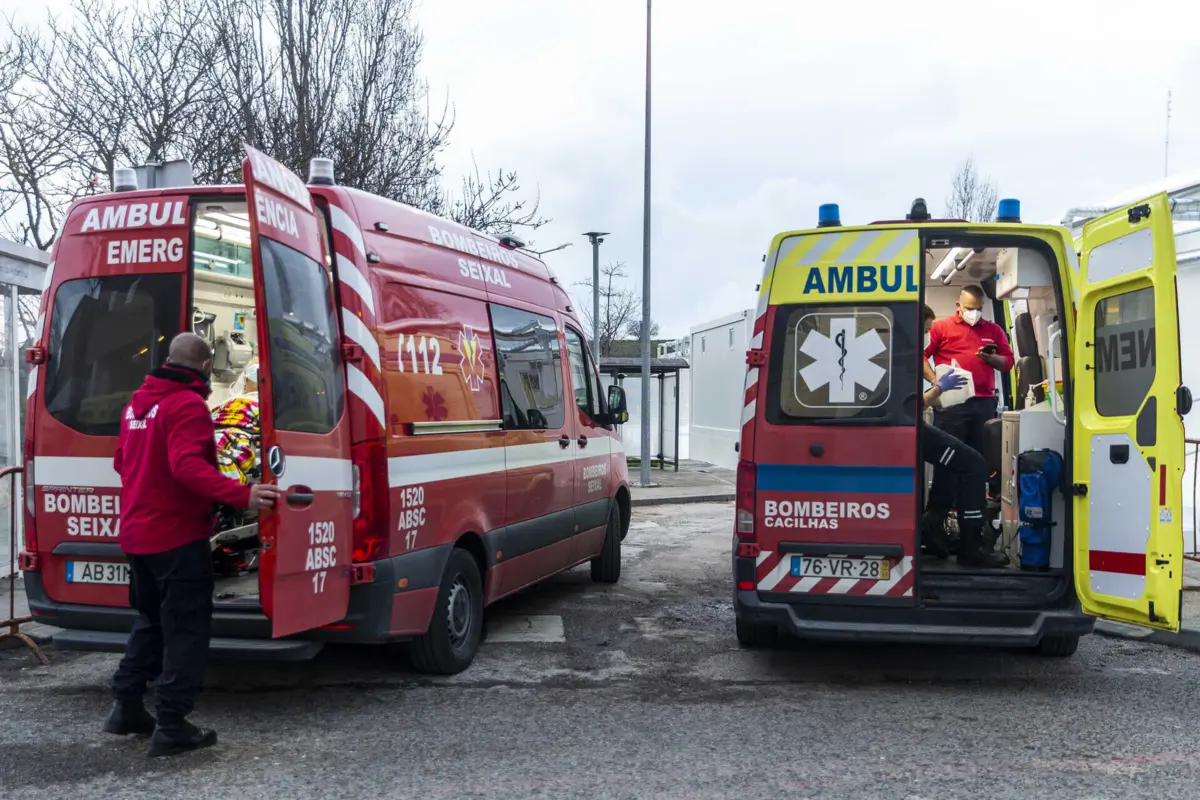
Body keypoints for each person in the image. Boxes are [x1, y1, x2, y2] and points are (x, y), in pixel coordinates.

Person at [105, 333, 280, 758]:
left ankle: (126, 707)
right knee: (186, 631)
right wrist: (244, 495)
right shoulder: (187, 405)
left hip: (137, 536)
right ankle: (171, 725)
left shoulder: (135, 406)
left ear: (167, 360)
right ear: (205, 368)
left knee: (151, 622)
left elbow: (120, 462)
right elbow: (187, 467)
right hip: (177, 538)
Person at [922, 286, 1013, 539]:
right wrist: (935, 384)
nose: (974, 313)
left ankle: (971, 529)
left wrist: (990, 359)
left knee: (978, 465)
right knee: (946, 464)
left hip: (983, 403)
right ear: (958, 305)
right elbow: (922, 356)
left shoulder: (993, 330)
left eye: (979, 309)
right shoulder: (940, 327)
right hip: (952, 405)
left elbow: (1008, 362)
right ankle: (934, 526)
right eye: (970, 308)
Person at [921, 367, 1007, 568]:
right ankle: (970, 549)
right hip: (905, 426)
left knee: (955, 465)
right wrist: (939, 387)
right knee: (973, 465)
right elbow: (913, 404)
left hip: (902, 424)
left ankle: (931, 528)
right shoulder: (899, 352)